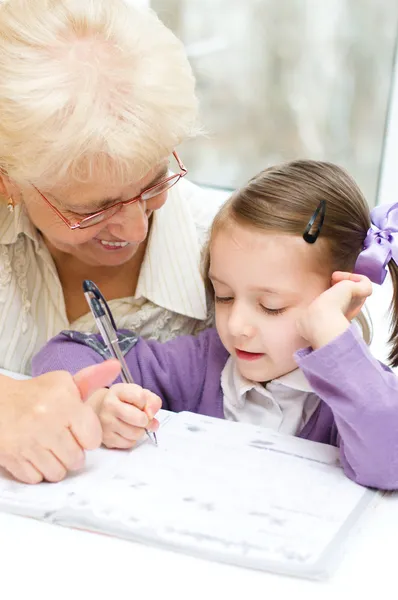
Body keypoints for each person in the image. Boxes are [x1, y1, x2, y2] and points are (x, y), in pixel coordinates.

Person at [34, 160, 398, 490]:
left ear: (341, 299)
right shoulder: (202, 364)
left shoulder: (363, 393)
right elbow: (66, 351)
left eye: (271, 307)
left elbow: (389, 463)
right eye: (223, 296)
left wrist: (332, 335)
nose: (237, 325)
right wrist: (98, 401)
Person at [0, 0, 221, 483]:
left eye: (153, 183)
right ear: (7, 182)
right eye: (92, 208)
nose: (137, 229)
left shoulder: (239, 257)